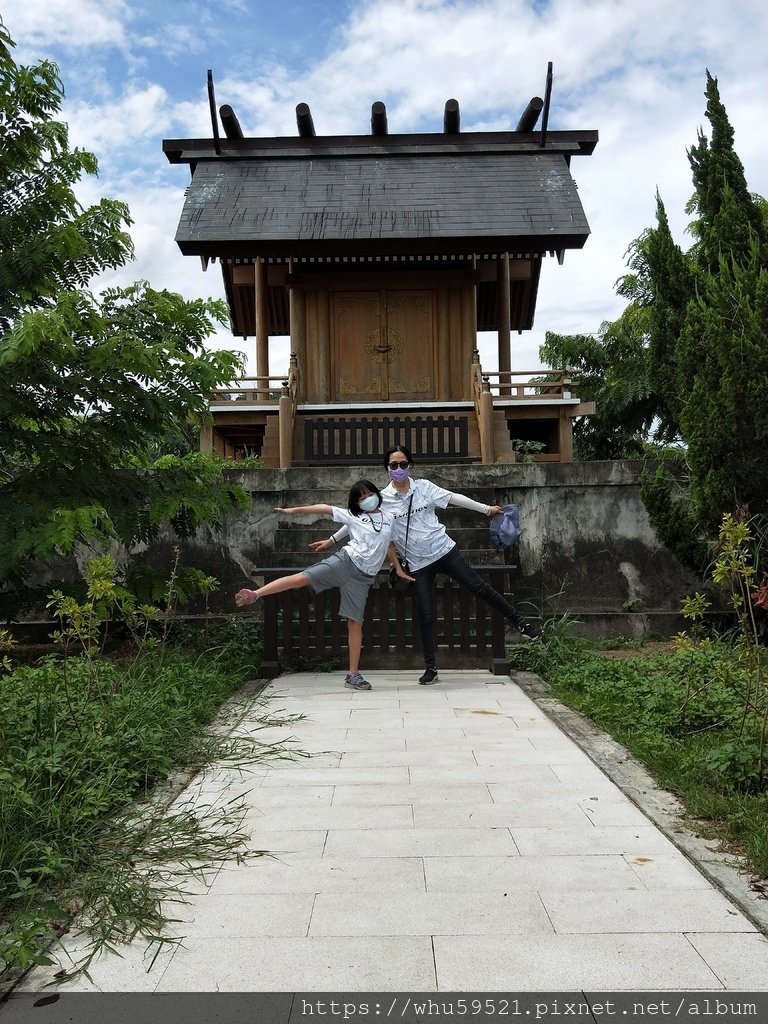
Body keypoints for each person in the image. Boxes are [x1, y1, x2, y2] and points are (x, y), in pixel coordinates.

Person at [312, 445, 540, 685]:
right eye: (393, 465)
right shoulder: (382, 499)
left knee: (480, 588)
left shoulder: (425, 487)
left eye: (403, 464)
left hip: (444, 550)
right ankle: (431, 667)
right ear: (386, 468)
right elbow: (355, 520)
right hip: (418, 562)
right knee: (426, 614)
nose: (398, 469)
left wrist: (486, 509)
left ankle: (522, 624)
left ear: (410, 465)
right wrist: (332, 540)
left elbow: (454, 498)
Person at [235, 480, 409, 691]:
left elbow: (388, 544)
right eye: (361, 498)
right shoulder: (353, 516)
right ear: (356, 503)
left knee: (355, 623)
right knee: (301, 578)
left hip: (364, 577)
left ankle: (352, 675)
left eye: (369, 494)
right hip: (345, 562)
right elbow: (324, 508)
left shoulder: (389, 518)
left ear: (377, 494)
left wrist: (398, 568)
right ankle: (255, 594)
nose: (367, 499)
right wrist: (294, 511)